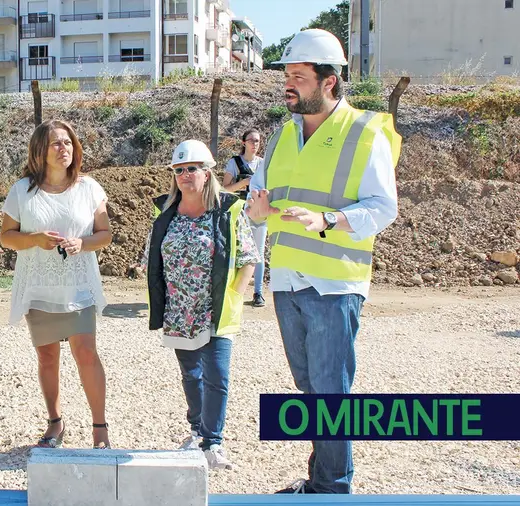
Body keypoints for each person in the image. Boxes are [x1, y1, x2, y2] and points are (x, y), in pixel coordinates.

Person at [247, 29, 401, 494]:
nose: (288, 84)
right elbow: (263, 199)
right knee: (311, 390)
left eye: (299, 76)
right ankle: (321, 481)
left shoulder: (364, 132)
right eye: (287, 76)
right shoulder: (281, 136)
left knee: (331, 394)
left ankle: (333, 488)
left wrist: (328, 220)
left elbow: (383, 207)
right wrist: (257, 210)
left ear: (329, 81)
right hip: (288, 281)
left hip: (335, 284)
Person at [146, 139, 259, 470]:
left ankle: (213, 441)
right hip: (180, 310)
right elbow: (152, 253)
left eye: (191, 169)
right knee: (191, 374)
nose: (184, 175)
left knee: (217, 375)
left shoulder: (228, 210)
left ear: (207, 173)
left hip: (217, 308)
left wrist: (236, 293)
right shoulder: (165, 211)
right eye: (178, 170)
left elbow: (249, 256)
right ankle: (197, 430)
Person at [0, 119, 113, 450]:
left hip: (78, 285)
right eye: (56, 144)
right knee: (47, 357)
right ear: (40, 151)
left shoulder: (89, 188)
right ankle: (55, 422)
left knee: (86, 354)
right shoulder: (21, 191)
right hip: (39, 286)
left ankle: (100, 428)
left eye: (68, 143)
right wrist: (34, 238)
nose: (64, 148)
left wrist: (83, 243)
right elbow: (6, 238)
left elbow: (104, 235)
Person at [222, 129, 268, 308]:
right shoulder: (234, 163)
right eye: (251, 141)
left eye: (257, 141)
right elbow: (225, 189)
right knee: (234, 252)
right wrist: (243, 183)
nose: (255, 144)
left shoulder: (263, 164)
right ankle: (233, 290)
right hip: (239, 213)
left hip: (258, 212)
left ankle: (258, 292)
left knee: (259, 252)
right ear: (244, 143)